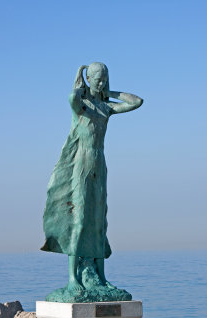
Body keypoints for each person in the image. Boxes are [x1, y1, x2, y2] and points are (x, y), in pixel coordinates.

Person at [41, 62, 143, 292]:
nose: (101, 82)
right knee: (79, 218)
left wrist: (109, 92)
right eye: (97, 79)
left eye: (105, 79)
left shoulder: (104, 107)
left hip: (99, 162)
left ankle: (101, 276)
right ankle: (72, 279)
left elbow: (136, 102)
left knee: (98, 221)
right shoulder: (82, 106)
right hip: (81, 163)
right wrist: (81, 85)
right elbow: (71, 97)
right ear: (88, 79)